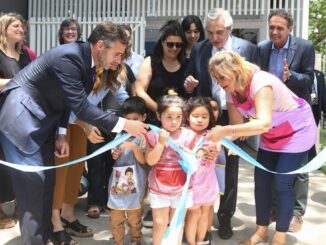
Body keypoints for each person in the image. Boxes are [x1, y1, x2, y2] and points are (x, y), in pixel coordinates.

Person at [0, 21, 148, 245]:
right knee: (34, 188)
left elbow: (65, 102)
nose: (119, 60)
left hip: (44, 124)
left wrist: (61, 134)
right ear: (100, 45)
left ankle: (47, 237)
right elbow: (81, 107)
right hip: (21, 120)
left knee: (47, 183)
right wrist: (124, 124)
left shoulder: (88, 68)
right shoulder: (69, 58)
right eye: (117, 54)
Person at [207, 50, 317, 245]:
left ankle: (280, 236)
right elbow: (237, 125)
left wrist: (225, 132)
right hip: (272, 134)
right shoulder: (230, 90)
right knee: (262, 182)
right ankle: (261, 232)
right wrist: (223, 142)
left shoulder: (261, 82)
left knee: (282, 183)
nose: (218, 82)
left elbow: (263, 123)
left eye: (221, 76)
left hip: (297, 132)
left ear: (235, 70)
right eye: (215, 78)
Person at [184, 8, 258, 240]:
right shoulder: (199, 49)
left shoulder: (247, 49)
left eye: (219, 32)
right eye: (210, 32)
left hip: (234, 116)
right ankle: (199, 213)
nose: (214, 37)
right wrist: (189, 84)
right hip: (207, 115)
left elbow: (254, 86)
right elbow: (189, 80)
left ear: (229, 29)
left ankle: (225, 217)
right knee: (202, 163)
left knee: (230, 168)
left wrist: (247, 122)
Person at [258, 9, 315, 232]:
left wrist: (291, 76)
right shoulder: (262, 48)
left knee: (297, 167)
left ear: (289, 29)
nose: (274, 31)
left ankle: (297, 213)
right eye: (272, 27)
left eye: (280, 28)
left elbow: (309, 79)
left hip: (297, 119)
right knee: (273, 165)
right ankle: (276, 208)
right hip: (272, 117)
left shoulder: (304, 47)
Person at [144, 93, 195, 245]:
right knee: (159, 223)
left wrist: (186, 151)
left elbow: (194, 162)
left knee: (176, 224)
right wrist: (161, 143)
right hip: (159, 188)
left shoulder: (189, 135)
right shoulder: (153, 135)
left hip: (182, 188)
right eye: (169, 117)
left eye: (178, 117)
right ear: (159, 116)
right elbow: (150, 161)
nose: (174, 122)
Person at [0, 12, 32, 230]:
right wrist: (15, 82)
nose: (21, 30)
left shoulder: (26, 56)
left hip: (21, 116)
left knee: (21, 162)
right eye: (16, 26)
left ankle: (21, 203)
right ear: (4, 28)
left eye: (22, 27)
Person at [108, 96, 148, 245]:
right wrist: (115, 153)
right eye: (128, 119)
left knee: (134, 215)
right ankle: (118, 241)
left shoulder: (145, 136)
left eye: (135, 119)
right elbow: (114, 153)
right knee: (116, 214)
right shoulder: (120, 135)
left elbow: (144, 160)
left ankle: (135, 239)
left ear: (144, 117)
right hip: (118, 180)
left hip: (136, 181)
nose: (132, 123)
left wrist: (133, 147)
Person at [135, 19, 187, 125]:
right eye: (170, 44)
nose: (174, 48)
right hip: (153, 120)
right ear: (162, 42)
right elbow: (140, 91)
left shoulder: (187, 64)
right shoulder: (150, 61)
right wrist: (159, 110)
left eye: (178, 45)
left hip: (178, 122)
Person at [184, 97, 220, 245]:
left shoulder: (213, 135)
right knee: (194, 213)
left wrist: (215, 148)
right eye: (195, 116)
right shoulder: (182, 133)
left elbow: (217, 149)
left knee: (205, 212)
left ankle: (201, 241)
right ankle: (191, 242)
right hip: (192, 184)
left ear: (210, 117)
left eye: (204, 116)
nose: (200, 120)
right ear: (188, 116)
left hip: (208, 182)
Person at [309, 69, 326, 160]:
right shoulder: (302, 74)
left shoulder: (319, 75)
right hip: (305, 108)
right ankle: (310, 158)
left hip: (316, 109)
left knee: (312, 134)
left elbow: (323, 94)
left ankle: (312, 158)